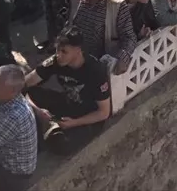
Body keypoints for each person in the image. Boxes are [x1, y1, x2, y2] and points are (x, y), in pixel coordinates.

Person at [25, 27, 113, 156]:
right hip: (69, 104)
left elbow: (104, 113)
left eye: (64, 51)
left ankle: (50, 134)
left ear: (78, 51)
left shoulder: (95, 71)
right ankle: (45, 128)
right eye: (57, 50)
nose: (58, 55)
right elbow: (26, 82)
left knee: (63, 146)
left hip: (88, 117)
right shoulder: (56, 61)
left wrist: (74, 123)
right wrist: (38, 111)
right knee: (30, 94)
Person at [68, 0, 137, 73]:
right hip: (76, 59)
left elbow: (129, 37)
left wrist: (123, 58)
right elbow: (69, 25)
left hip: (101, 64)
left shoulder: (117, 5)